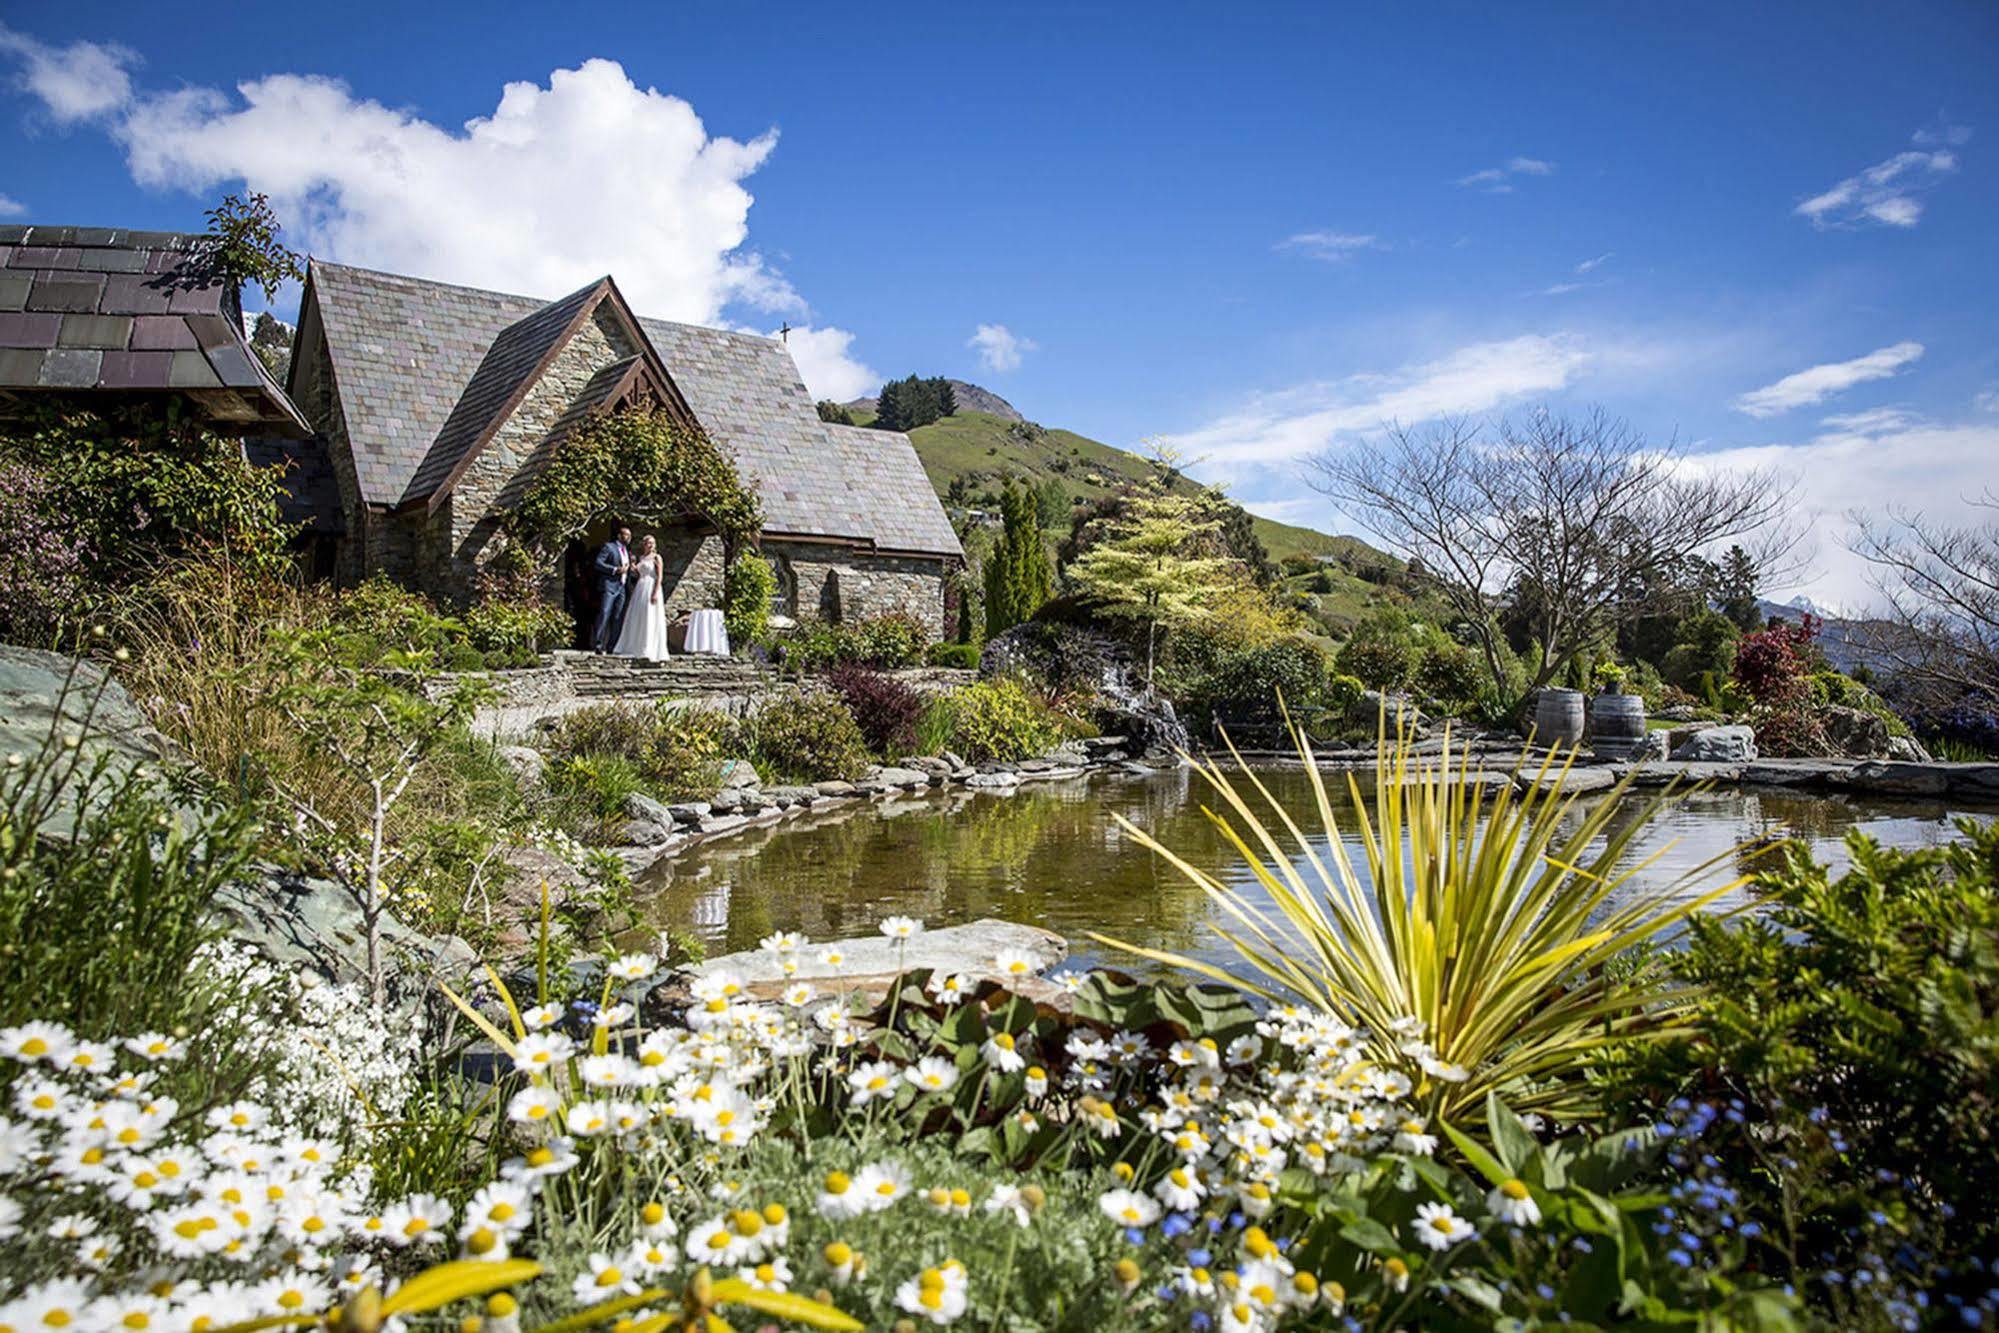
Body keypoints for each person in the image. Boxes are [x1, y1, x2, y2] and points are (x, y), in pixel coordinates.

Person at [612, 535, 670, 659]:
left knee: (649, 614)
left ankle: (648, 647)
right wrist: (633, 568)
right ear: (644, 544)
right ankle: (634, 645)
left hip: (651, 586)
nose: (651, 545)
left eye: (653, 543)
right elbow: (638, 574)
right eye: (648, 543)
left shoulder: (657, 557)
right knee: (637, 615)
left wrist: (655, 592)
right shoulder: (642, 558)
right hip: (640, 587)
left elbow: (659, 576)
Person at [591, 526, 633, 653]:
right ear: (619, 536)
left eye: (629, 536)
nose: (628, 538)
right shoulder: (609, 547)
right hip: (609, 585)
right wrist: (615, 569)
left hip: (622, 587)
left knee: (618, 617)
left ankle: (612, 646)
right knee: (605, 613)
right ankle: (598, 645)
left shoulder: (627, 551)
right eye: (626, 535)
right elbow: (598, 563)